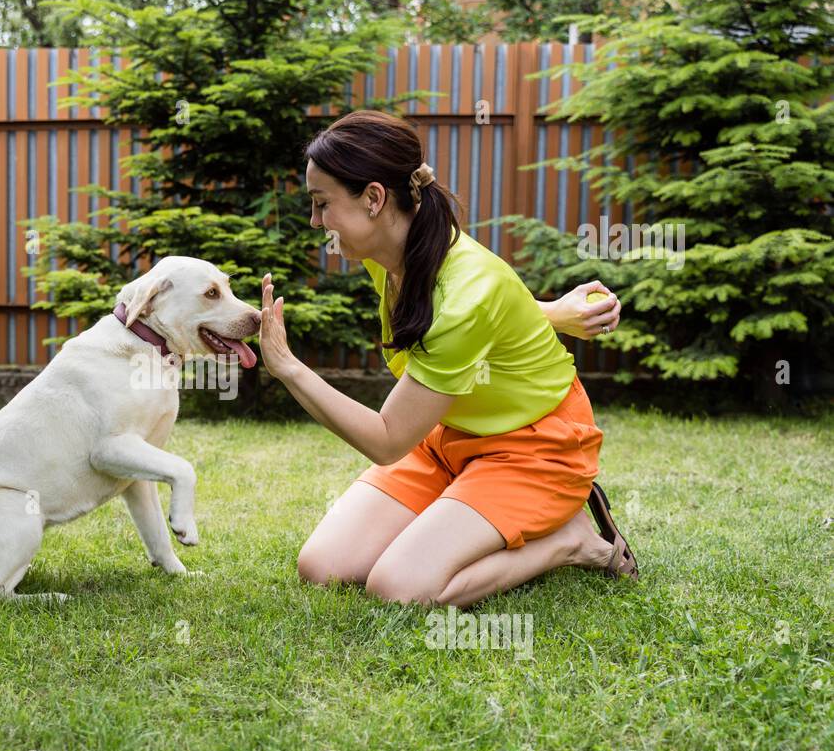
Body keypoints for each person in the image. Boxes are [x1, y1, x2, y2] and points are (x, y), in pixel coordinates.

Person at [258, 109, 638, 608]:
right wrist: (552, 312)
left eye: (322, 203)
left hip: (534, 450)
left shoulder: (467, 288)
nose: (315, 221)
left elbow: (388, 439)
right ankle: (464, 514)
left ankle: (570, 540)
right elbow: (483, 318)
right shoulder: (385, 256)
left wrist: (287, 366)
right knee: (323, 567)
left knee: (399, 588)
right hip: (447, 438)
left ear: (374, 198)